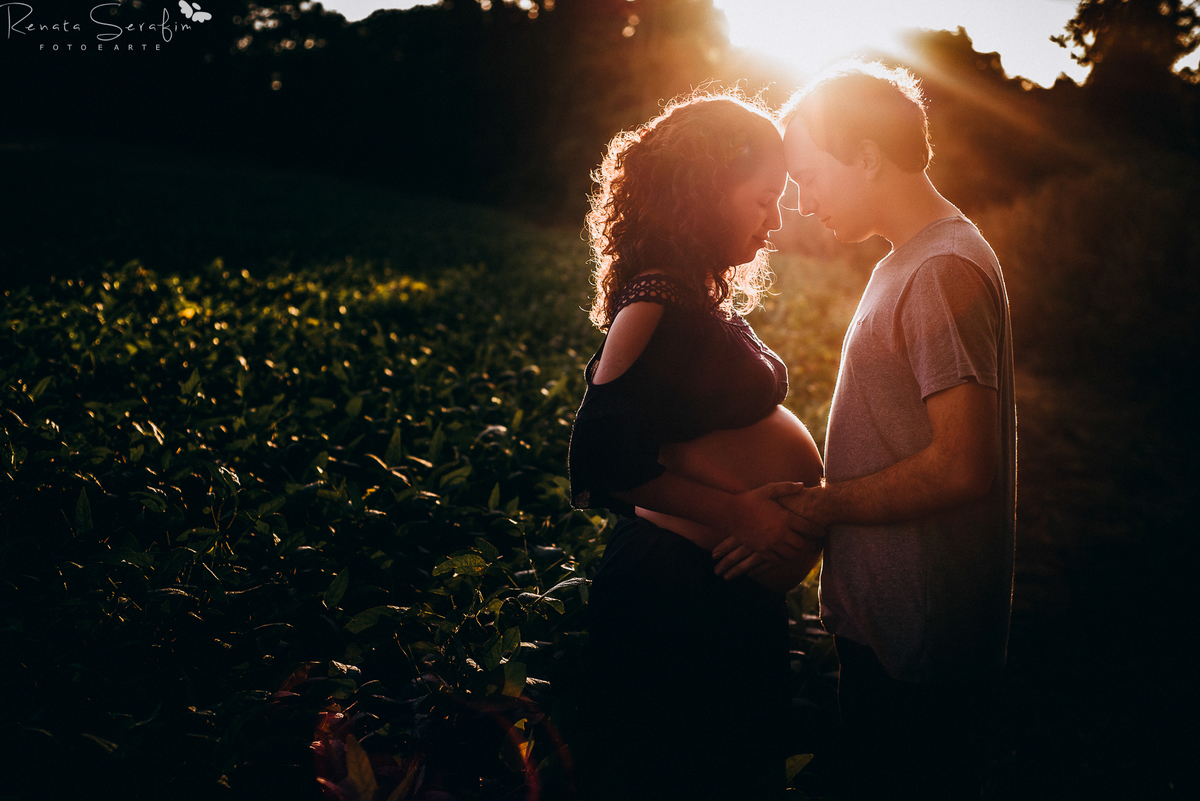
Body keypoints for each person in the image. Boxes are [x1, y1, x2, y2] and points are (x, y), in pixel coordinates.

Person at [716, 61, 1017, 800]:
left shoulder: (941, 270)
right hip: (890, 622)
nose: (803, 200)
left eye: (811, 176)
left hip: (920, 640)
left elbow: (962, 464)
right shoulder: (907, 260)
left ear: (869, 156)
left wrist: (820, 504)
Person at [567, 91, 825, 801]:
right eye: (763, 200)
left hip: (715, 594)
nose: (774, 223)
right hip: (672, 596)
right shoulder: (653, 298)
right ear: (709, 194)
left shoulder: (692, 296)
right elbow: (598, 458)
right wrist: (740, 514)